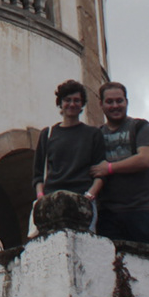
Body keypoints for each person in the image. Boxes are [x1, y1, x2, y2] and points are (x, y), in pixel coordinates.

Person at [89, 81, 149, 243]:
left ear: (126, 102)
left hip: (142, 211)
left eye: (119, 101)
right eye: (109, 102)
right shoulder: (96, 135)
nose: (115, 106)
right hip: (108, 215)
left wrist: (109, 168)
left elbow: (145, 159)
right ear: (101, 104)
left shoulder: (141, 127)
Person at [34, 79, 108, 211]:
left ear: (82, 104)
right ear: (60, 103)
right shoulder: (48, 134)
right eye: (67, 100)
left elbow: (100, 173)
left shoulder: (93, 134)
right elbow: (37, 174)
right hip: (52, 200)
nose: (72, 104)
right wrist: (41, 197)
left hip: (83, 200)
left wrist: (89, 196)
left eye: (76, 100)